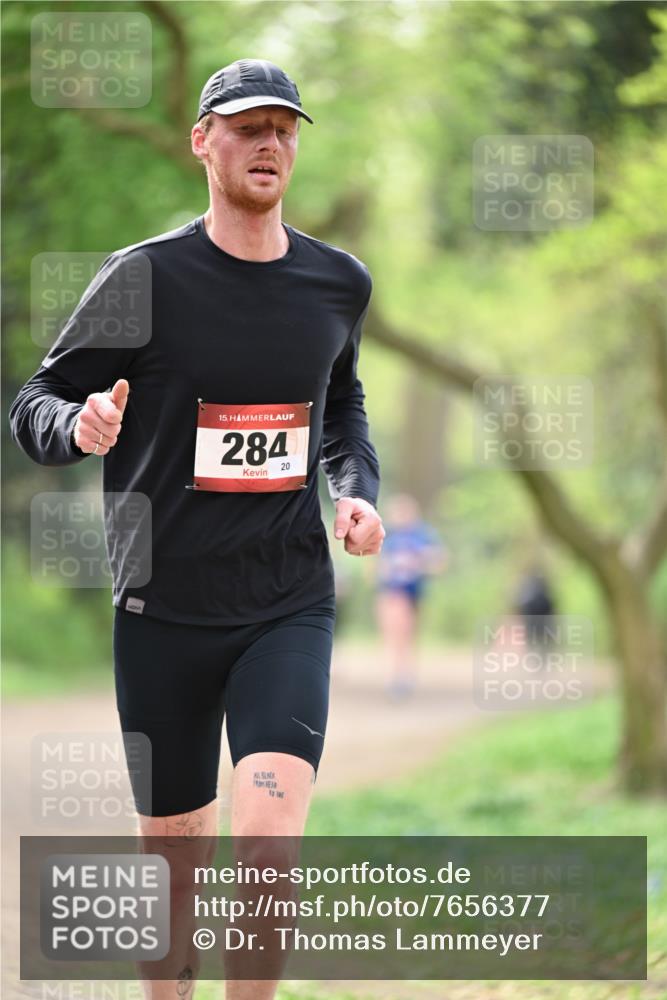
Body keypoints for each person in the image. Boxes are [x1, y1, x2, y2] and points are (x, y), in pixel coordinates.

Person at [9, 58, 384, 999]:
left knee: (266, 839)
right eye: (248, 127)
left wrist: (355, 486)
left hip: (284, 600)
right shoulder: (145, 276)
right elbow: (36, 401)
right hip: (162, 606)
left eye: (284, 129)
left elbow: (340, 408)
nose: (269, 144)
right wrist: (79, 423)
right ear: (202, 141)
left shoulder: (336, 282)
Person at [374, 493, 446, 697]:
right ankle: (396, 676)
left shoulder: (422, 535)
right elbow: (375, 566)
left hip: (413, 592)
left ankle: (403, 675)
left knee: (406, 635)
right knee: (393, 634)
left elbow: (439, 561)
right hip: (391, 592)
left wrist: (419, 563)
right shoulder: (386, 535)